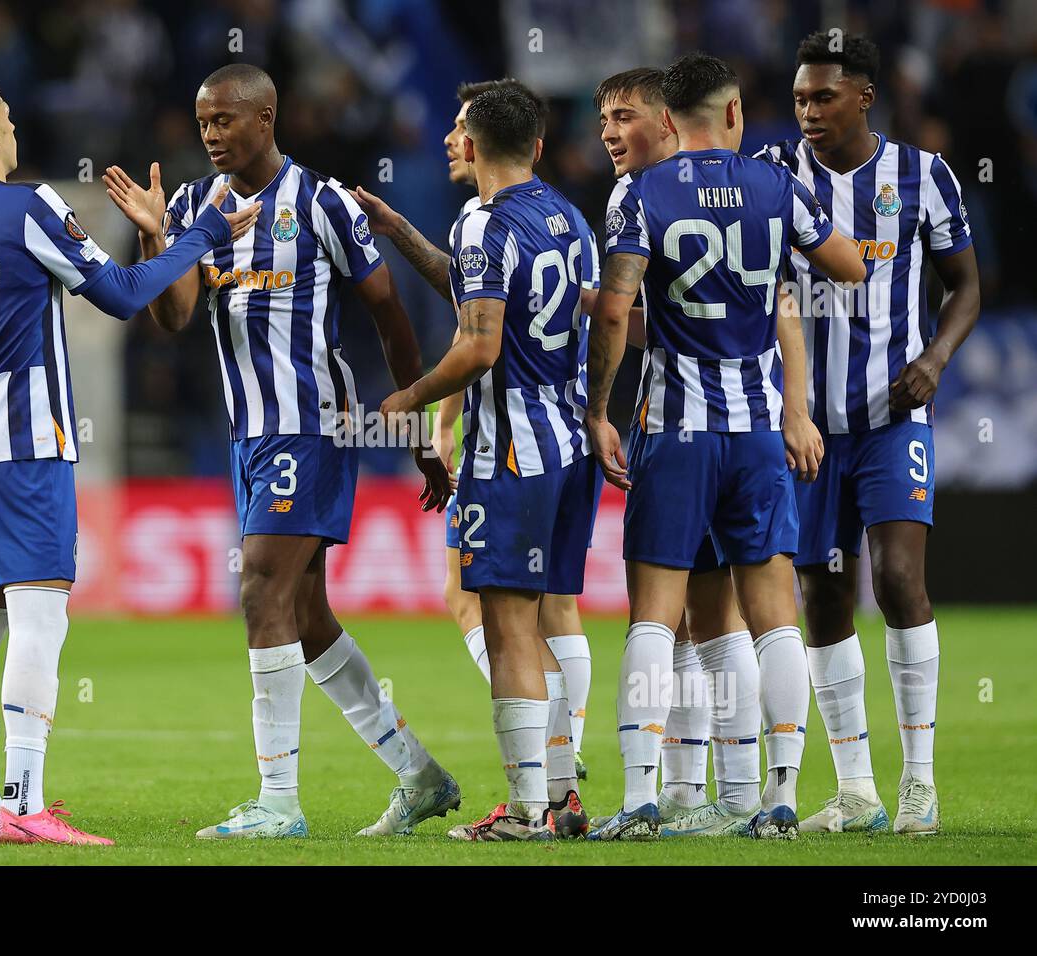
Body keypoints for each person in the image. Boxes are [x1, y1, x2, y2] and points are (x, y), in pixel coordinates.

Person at [0, 71, 259, 846]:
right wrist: (201, 237)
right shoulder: (30, 206)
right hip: (24, 443)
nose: (17, 131)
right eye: (11, 120)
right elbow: (123, 295)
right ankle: (24, 804)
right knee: (39, 616)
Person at [102, 63, 457, 840]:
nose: (210, 135)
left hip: (312, 424)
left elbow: (391, 316)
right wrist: (157, 235)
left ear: (265, 118)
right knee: (305, 612)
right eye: (202, 124)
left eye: (224, 121)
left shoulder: (323, 202)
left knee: (261, 590)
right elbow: (173, 315)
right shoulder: (198, 204)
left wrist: (420, 427)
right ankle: (419, 774)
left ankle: (278, 801)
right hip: (248, 434)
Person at [585, 53, 865, 841]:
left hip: (675, 430)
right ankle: (774, 799)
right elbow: (845, 267)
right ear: (736, 114)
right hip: (756, 431)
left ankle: (643, 798)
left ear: (669, 121)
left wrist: (597, 408)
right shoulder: (778, 187)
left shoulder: (642, 193)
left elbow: (614, 313)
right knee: (774, 616)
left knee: (655, 617)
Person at [757, 32, 979, 835]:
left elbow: (965, 284)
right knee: (820, 592)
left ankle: (919, 783)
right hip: (809, 426)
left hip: (894, 418)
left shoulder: (922, 175)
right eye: (799, 99)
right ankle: (857, 790)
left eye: (823, 97)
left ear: (863, 98)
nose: (808, 112)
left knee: (897, 580)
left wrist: (938, 355)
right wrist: (791, 405)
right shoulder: (775, 175)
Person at [355, 78, 598, 785]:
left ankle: (536, 799)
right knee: (551, 610)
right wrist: (399, 230)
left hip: (511, 448)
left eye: (455, 127)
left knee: (505, 624)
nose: (445, 139)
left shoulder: (482, 222)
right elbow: (475, 294)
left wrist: (412, 396)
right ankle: (560, 785)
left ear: (473, 141)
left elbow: (479, 345)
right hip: (566, 439)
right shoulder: (568, 218)